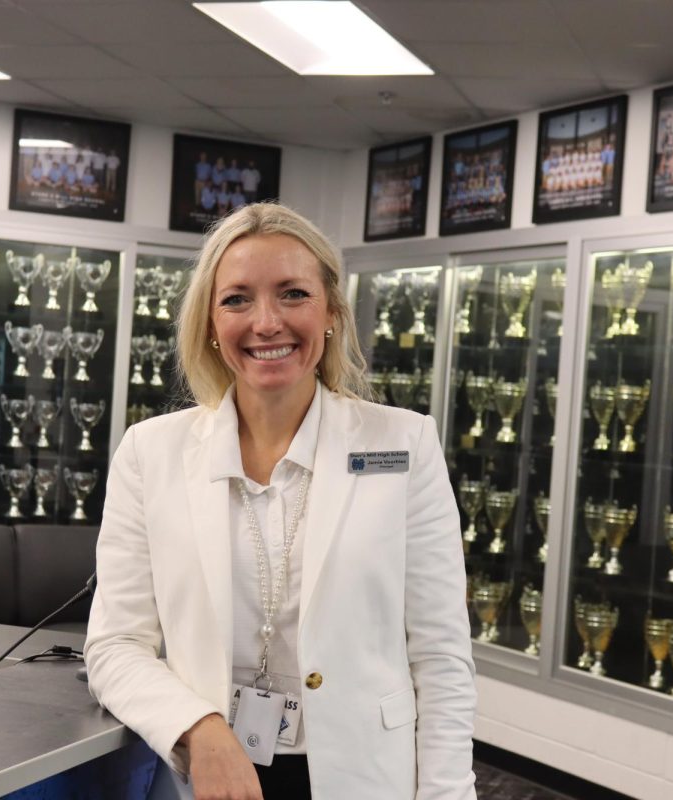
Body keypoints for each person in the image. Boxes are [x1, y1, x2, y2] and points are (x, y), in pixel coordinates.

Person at [84, 202, 476, 800]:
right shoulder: (149, 452)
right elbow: (115, 646)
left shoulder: (403, 444)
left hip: (363, 778)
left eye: (293, 294)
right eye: (237, 298)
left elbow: (442, 658)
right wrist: (200, 727)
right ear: (210, 324)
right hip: (212, 778)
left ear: (331, 314)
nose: (266, 322)